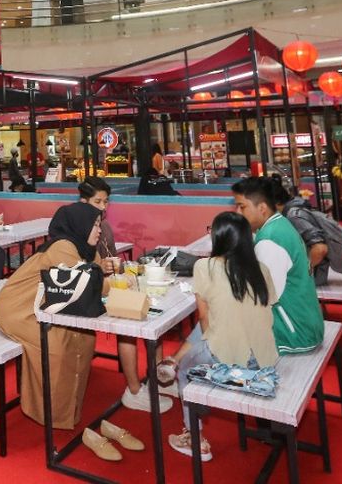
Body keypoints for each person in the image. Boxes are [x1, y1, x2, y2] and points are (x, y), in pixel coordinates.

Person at [166, 211, 279, 462]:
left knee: (185, 369)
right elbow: (267, 308)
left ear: (218, 237)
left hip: (230, 359)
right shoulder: (262, 269)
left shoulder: (204, 266)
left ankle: (194, 435)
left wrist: (183, 355)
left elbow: (205, 323)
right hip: (265, 357)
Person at [0, 198, 100, 431]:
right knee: (56, 344)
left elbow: (97, 277)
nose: (100, 230)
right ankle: (50, 412)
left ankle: (68, 408)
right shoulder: (64, 247)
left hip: (46, 307)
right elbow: (87, 285)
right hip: (18, 309)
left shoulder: (83, 247)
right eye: (95, 224)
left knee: (85, 337)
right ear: (81, 225)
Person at [75, 176, 172, 413]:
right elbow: (78, 268)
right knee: (129, 326)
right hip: (91, 291)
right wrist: (104, 270)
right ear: (83, 201)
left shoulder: (103, 226)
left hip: (111, 285)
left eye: (106, 201)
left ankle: (159, 379)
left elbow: (109, 260)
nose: (103, 207)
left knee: (156, 315)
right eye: (98, 201)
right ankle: (134, 390)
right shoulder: (79, 228)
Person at [231, 177, 324, 354]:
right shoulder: (279, 225)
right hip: (302, 323)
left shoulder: (270, 241)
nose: (237, 212)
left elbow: (261, 298)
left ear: (262, 208)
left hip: (293, 334)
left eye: (242, 206)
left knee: (213, 333)